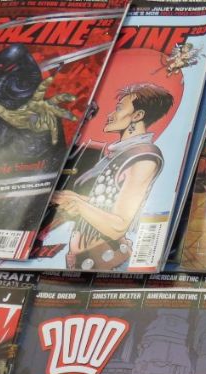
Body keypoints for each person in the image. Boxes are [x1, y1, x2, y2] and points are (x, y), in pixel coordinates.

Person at [45, 82, 174, 270]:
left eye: (119, 109)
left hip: (109, 265)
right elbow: (108, 203)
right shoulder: (121, 153)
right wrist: (74, 199)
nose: (110, 114)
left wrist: (79, 204)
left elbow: (118, 226)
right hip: (86, 263)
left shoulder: (143, 157)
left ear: (137, 115)